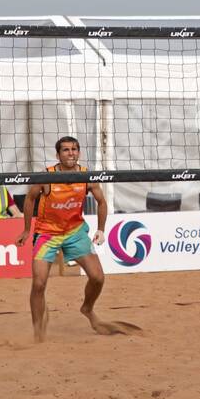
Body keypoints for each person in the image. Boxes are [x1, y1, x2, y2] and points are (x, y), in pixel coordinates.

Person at [16, 137, 134, 340]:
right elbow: (30, 198)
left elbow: (102, 202)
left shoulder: (86, 176)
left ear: (78, 153)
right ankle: (38, 333)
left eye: (74, 149)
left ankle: (87, 309)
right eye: (66, 150)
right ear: (58, 155)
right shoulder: (47, 177)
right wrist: (27, 229)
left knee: (98, 277)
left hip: (75, 232)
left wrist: (101, 229)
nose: (70, 153)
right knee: (39, 283)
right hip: (47, 233)